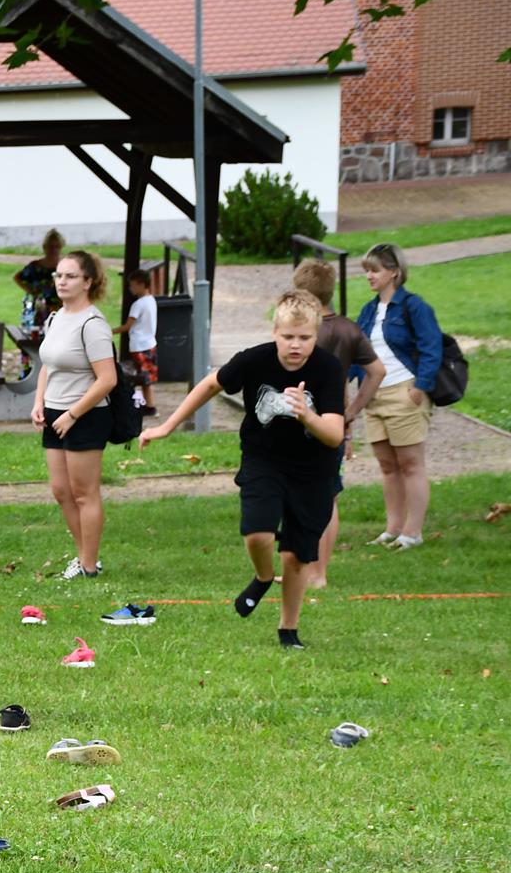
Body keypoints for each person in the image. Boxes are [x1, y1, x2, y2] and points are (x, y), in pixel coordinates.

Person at [141, 290, 344, 650]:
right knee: (257, 534)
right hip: (263, 460)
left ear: (316, 336)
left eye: (305, 338)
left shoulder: (327, 369)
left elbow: (334, 435)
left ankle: (288, 629)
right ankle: (264, 576)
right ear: (274, 332)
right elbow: (209, 384)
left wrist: (306, 415)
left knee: (297, 555)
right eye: (288, 337)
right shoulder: (254, 360)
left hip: (314, 470)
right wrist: (167, 426)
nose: (295, 345)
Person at [291, 259, 385, 586]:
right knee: (328, 497)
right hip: (335, 423)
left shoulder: (301, 332)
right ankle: (319, 573)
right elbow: (377, 371)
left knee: (300, 496)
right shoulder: (349, 329)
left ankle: (306, 569)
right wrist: (353, 412)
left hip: (299, 424)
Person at [32, 249, 118, 580]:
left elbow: (107, 380)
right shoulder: (56, 318)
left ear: (88, 281)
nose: (62, 281)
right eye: (58, 275)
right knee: (61, 490)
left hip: (86, 414)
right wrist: (39, 402)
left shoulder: (93, 324)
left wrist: (72, 413)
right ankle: (83, 556)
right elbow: (48, 366)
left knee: (84, 493)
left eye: (70, 276)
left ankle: (89, 565)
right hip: (54, 413)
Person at [354, 242, 442, 550]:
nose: (369, 276)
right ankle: (392, 528)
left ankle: (412, 531)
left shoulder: (414, 306)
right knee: (387, 465)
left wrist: (421, 386)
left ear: (394, 272)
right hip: (373, 396)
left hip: (404, 391)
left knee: (410, 464)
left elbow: (432, 347)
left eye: (375, 270)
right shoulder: (368, 310)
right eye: (366, 270)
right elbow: (357, 352)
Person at [114, 267, 158, 416]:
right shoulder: (151, 300)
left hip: (139, 346)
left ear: (140, 284)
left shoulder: (138, 305)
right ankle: (148, 406)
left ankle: (149, 407)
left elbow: (127, 326)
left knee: (139, 377)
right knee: (146, 376)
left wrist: (109, 331)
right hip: (150, 344)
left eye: (132, 285)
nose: (130, 288)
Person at [14, 229, 66, 331]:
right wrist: (29, 290)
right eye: (50, 247)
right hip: (40, 308)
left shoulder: (65, 266)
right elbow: (18, 277)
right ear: (44, 248)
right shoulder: (35, 266)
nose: (54, 250)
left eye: (57, 246)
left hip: (60, 308)